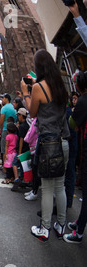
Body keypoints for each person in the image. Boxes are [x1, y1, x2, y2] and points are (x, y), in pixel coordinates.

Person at [21, 49, 70, 242]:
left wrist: (26, 92)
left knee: (47, 188)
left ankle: (44, 228)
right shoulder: (60, 84)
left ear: (38, 67)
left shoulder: (38, 88)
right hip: (63, 141)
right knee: (60, 186)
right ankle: (61, 225)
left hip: (49, 144)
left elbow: (32, 113)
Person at [63, 69, 87, 244]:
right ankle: (79, 222)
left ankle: (78, 233)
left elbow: (73, 123)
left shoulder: (83, 101)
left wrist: (73, 111)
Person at [11, 107, 30, 191]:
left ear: (22, 116)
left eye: (18, 115)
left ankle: (17, 179)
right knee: (23, 166)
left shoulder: (22, 126)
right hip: (27, 149)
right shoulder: (26, 125)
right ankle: (21, 180)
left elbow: (21, 139)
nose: (18, 117)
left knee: (14, 163)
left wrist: (19, 152)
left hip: (22, 150)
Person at [0, 93, 17, 166]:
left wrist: (1, 129)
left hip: (5, 130)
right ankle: (12, 165)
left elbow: (1, 120)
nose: (2, 100)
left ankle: (5, 166)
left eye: (3, 98)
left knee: (4, 149)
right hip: (14, 131)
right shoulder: (13, 108)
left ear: (7, 99)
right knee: (12, 149)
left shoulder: (4, 108)